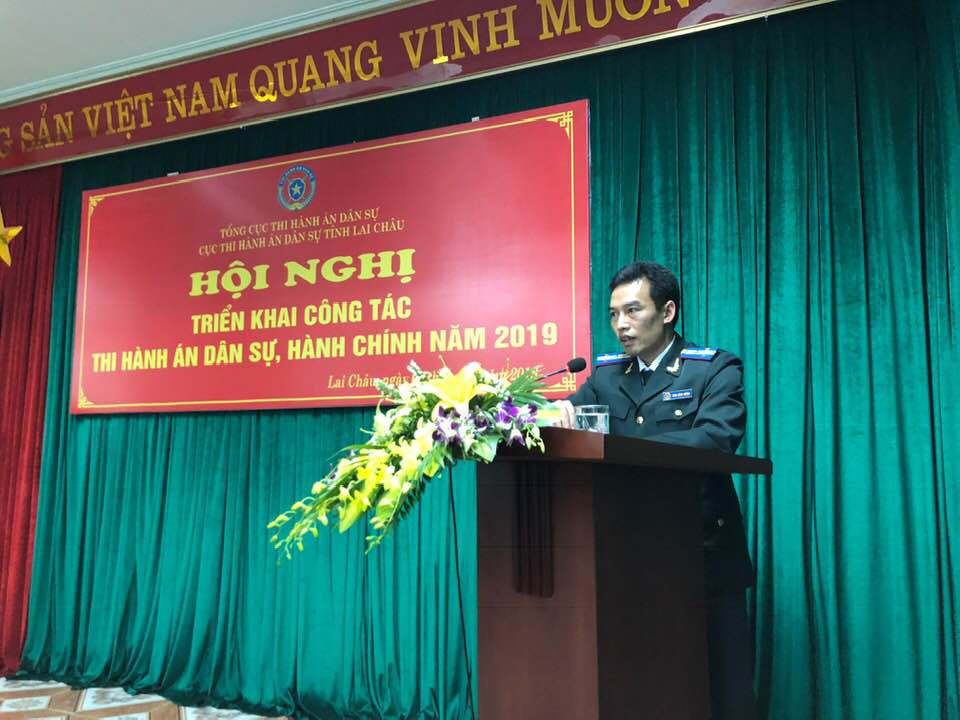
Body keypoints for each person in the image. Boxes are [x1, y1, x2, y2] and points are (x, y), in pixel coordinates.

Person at [556, 261, 759, 720]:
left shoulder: (713, 368)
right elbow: (564, 416)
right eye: (613, 314)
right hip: (625, 560)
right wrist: (552, 415)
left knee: (724, 692)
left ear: (667, 311)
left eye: (632, 311)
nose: (621, 325)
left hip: (702, 556)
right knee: (646, 688)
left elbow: (717, 437)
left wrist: (623, 452)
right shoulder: (605, 377)